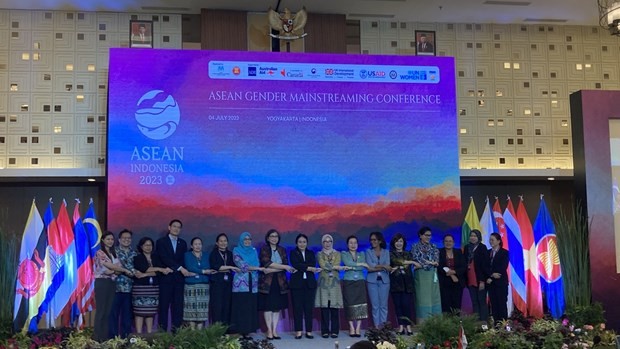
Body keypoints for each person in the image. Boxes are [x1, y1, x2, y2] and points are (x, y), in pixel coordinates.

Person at [94, 231, 133, 342]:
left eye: (112, 239)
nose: (110, 241)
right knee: (101, 310)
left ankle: (105, 337)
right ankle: (97, 337)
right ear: (103, 240)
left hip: (112, 283)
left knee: (108, 311)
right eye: (108, 239)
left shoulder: (113, 253)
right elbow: (110, 266)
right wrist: (121, 270)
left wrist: (114, 270)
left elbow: (116, 269)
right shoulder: (100, 253)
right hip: (102, 283)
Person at [156, 219, 194, 332]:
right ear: (169, 227)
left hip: (178, 280)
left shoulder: (182, 243)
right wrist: (179, 268)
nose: (176, 229)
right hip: (165, 279)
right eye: (174, 226)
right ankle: (162, 335)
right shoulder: (161, 242)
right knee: (163, 307)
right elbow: (164, 258)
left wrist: (182, 269)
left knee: (177, 308)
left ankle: (176, 335)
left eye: (179, 227)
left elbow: (183, 260)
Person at [258, 229, 295, 340]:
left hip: (280, 282)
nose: (274, 238)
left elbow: (284, 263)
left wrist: (274, 268)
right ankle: (269, 330)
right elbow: (267, 263)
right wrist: (283, 268)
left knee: (277, 308)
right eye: (272, 236)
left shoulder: (282, 250)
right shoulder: (264, 249)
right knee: (268, 307)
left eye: (276, 236)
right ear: (268, 238)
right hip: (267, 283)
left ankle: (275, 331)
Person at [132, 237, 171, 334]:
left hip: (153, 288)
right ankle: (139, 334)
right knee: (139, 312)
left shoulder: (156, 257)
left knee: (150, 312)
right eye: (146, 245)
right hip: (140, 288)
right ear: (141, 246)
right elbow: (143, 268)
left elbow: (159, 273)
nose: (148, 247)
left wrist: (146, 274)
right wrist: (158, 269)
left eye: (150, 245)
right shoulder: (137, 258)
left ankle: (149, 334)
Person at [231, 232, 265, 339]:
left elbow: (257, 263)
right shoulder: (236, 250)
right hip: (241, 284)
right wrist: (257, 269)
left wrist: (256, 267)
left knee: (250, 307)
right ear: (241, 240)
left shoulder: (254, 251)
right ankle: (241, 331)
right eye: (245, 239)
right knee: (241, 307)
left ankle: (248, 331)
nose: (247, 241)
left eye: (249, 239)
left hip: (253, 283)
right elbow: (242, 265)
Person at [315, 234, 347, 338]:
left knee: (334, 307)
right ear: (322, 243)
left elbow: (336, 262)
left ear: (332, 242)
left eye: (329, 241)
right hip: (323, 283)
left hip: (334, 283)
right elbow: (322, 264)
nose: (327, 243)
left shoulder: (337, 253)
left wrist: (333, 266)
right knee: (324, 307)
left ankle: (334, 331)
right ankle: (324, 331)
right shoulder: (319, 254)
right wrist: (335, 267)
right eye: (325, 241)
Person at [289, 233, 320, 339]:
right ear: (296, 243)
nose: (302, 244)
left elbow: (312, 264)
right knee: (297, 308)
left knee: (308, 308)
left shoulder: (311, 253)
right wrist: (309, 268)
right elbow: (296, 264)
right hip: (297, 285)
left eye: (304, 242)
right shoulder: (293, 253)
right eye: (300, 242)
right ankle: (298, 331)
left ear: (307, 243)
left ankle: (309, 331)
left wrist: (305, 267)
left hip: (309, 284)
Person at [109, 229, 136, 339]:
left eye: (129, 238)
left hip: (129, 289)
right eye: (124, 238)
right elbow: (110, 269)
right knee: (113, 315)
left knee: (127, 316)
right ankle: (112, 339)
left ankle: (126, 339)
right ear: (119, 240)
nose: (126, 240)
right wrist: (125, 271)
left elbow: (137, 269)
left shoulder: (134, 253)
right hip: (114, 288)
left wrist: (132, 272)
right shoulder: (112, 252)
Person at [184, 237, 216, 329]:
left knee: (202, 308)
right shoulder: (187, 255)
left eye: (199, 244)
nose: (198, 246)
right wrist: (203, 271)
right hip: (190, 286)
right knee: (191, 308)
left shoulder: (206, 255)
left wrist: (199, 271)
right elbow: (190, 267)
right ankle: (193, 332)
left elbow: (207, 266)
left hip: (203, 285)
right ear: (191, 246)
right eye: (195, 244)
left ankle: (200, 332)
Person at [411, 227, 441, 323]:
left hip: (432, 276)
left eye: (429, 235)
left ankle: (435, 322)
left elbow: (436, 262)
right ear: (420, 235)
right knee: (422, 299)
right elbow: (417, 260)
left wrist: (428, 263)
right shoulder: (415, 247)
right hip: (421, 276)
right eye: (426, 235)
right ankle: (423, 323)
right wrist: (430, 263)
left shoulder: (434, 247)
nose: (428, 237)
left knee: (434, 298)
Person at [341, 235, 369, 337]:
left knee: (360, 303)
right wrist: (360, 265)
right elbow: (347, 262)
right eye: (351, 243)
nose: (353, 245)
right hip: (349, 281)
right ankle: (351, 327)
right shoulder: (344, 254)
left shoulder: (362, 254)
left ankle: (358, 327)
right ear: (347, 245)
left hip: (360, 281)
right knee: (350, 304)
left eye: (355, 243)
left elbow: (360, 268)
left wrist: (352, 267)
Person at [209, 233, 239, 327]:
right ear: (217, 243)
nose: (223, 243)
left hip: (228, 283)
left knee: (227, 306)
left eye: (225, 241)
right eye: (221, 241)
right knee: (217, 307)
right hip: (217, 283)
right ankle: (217, 330)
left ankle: (226, 330)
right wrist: (229, 267)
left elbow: (234, 267)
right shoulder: (213, 253)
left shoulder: (230, 254)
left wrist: (226, 268)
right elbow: (216, 267)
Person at [389, 233, 415, 335]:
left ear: (403, 243)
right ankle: (400, 327)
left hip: (407, 284)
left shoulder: (408, 253)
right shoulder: (391, 254)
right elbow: (396, 261)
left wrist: (398, 267)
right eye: (397, 241)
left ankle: (408, 326)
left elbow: (405, 265)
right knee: (398, 305)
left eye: (400, 241)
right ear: (393, 243)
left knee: (406, 305)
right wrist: (410, 262)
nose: (398, 243)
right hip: (396, 283)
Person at [365, 231, 391, 327]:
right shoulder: (368, 252)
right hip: (372, 281)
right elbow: (370, 267)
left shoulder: (386, 252)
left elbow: (388, 266)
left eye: (374, 240)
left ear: (380, 241)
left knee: (383, 306)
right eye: (371, 240)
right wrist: (383, 266)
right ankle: (377, 328)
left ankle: (383, 327)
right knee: (375, 306)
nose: (372, 241)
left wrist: (377, 267)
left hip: (384, 281)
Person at [465, 229, 490, 322]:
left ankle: (484, 324)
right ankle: (477, 323)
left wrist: (482, 281)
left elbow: (485, 266)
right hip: (470, 279)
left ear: (479, 237)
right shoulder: (467, 248)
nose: (473, 238)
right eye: (471, 235)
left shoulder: (482, 248)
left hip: (480, 280)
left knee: (482, 302)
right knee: (474, 302)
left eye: (475, 236)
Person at [437, 234, 466, 314]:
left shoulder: (459, 252)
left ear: (453, 243)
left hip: (457, 282)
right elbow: (439, 266)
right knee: (446, 304)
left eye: (450, 241)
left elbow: (463, 266)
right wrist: (451, 275)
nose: (448, 243)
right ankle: (447, 324)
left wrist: (454, 272)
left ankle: (456, 324)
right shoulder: (439, 252)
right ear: (443, 242)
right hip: (444, 282)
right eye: (446, 241)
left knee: (456, 304)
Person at [486, 233, 509, 323]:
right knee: (494, 305)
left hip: (501, 283)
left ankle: (503, 325)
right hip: (491, 284)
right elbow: (485, 267)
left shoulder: (504, 253)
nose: (491, 241)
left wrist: (492, 277)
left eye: (492, 240)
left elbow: (502, 267)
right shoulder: (488, 253)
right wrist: (491, 275)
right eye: (490, 240)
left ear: (498, 241)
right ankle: (496, 325)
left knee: (502, 304)